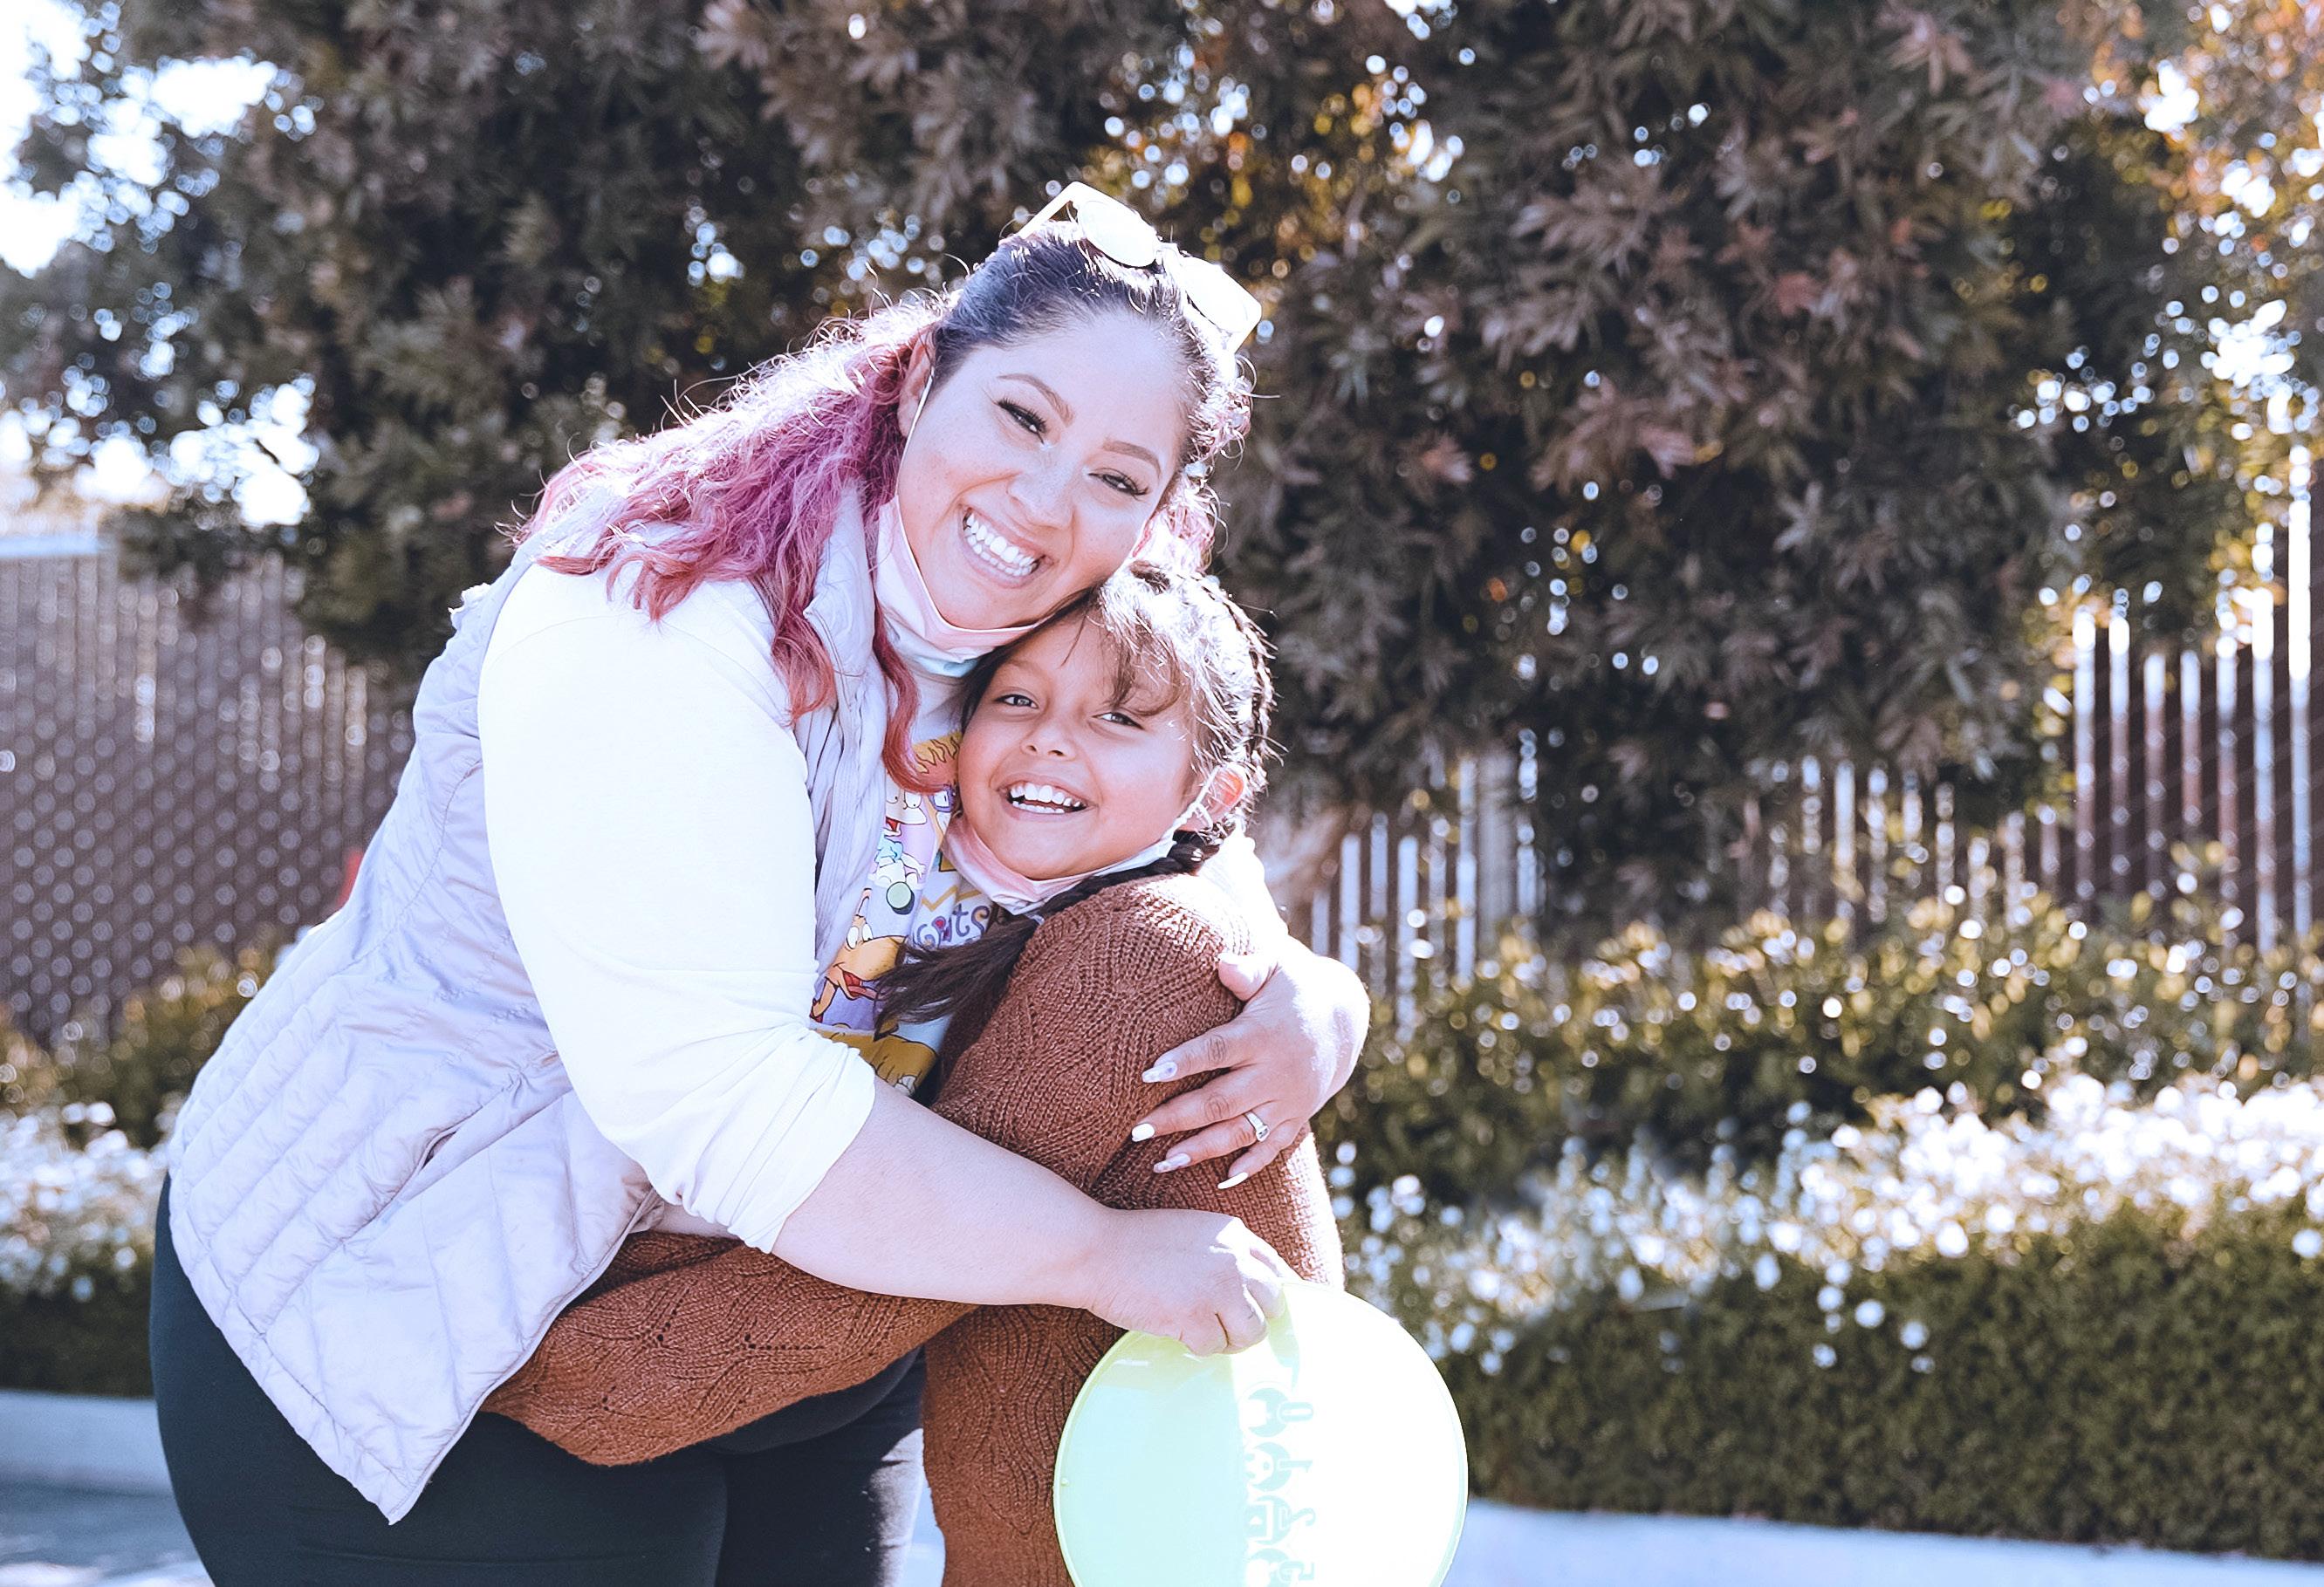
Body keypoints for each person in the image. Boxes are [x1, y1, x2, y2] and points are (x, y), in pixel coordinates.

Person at [149, 189, 1368, 1585]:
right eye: (1021, 417)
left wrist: (1300, 989)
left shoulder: (1051, 611)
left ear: (1157, 514)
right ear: (919, 378)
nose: (1044, 502)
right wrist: (1097, 1253)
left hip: (774, 1312)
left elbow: (1173, 805)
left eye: (1114, 475)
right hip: (415, 1318)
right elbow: (717, 1093)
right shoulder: (659, 602)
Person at [487, 563, 1343, 1586]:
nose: (1049, 738)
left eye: (1116, 718)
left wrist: (553, 1369)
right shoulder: (986, 875)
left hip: (1172, 1518)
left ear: (1211, 794)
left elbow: (892, 1277)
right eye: (1015, 699)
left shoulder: (1138, 953)